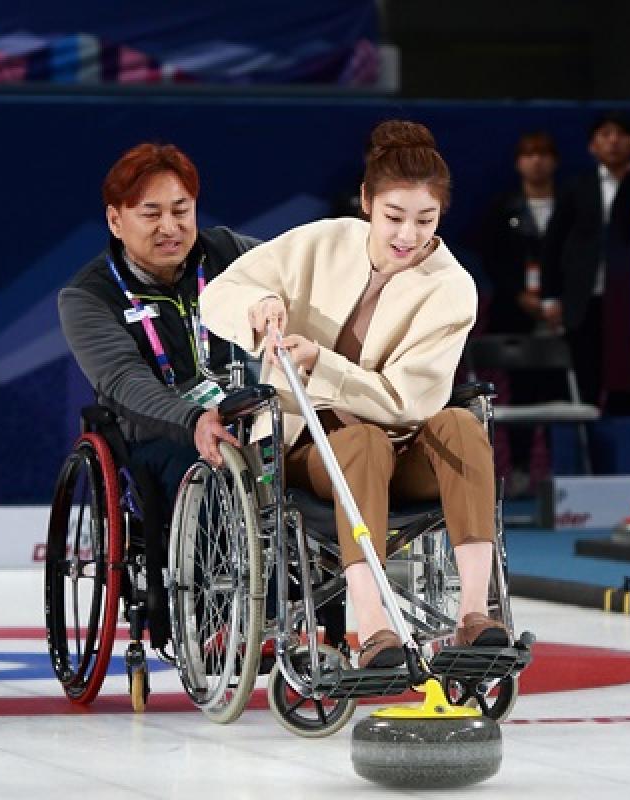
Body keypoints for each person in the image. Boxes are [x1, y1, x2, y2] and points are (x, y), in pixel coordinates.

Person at [201, 119, 509, 668]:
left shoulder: (452, 287)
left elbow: (410, 402)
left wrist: (323, 362)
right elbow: (222, 291)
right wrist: (258, 308)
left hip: (404, 444)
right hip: (307, 447)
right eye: (393, 217)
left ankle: (474, 614)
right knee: (363, 442)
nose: (407, 236)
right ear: (366, 201)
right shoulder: (318, 242)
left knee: (462, 425)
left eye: (425, 220)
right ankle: (372, 626)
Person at [58, 142, 258, 532]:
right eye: (152, 214)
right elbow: (122, 380)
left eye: (181, 211)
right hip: (165, 435)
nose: (170, 227)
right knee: (207, 473)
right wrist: (194, 420)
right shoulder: (88, 296)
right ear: (115, 221)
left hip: (246, 416)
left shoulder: (228, 253)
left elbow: (299, 274)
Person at [477, 131, 562, 492]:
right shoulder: (504, 207)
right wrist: (518, 295)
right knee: (524, 392)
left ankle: (563, 476)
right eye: (529, 154)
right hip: (517, 314)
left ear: (554, 160)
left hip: (563, 315)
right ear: (518, 163)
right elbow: (493, 257)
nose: (537, 161)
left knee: (558, 393)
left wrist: (561, 301)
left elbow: (580, 258)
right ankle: (524, 470)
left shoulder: (570, 204)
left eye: (543, 153)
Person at [539, 111, 630, 407]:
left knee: (627, 382)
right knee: (585, 380)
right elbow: (553, 243)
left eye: (621, 135)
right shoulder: (576, 187)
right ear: (592, 146)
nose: (613, 142)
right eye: (605, 135)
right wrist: (550, 297)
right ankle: (586, 449)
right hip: (584, 298)